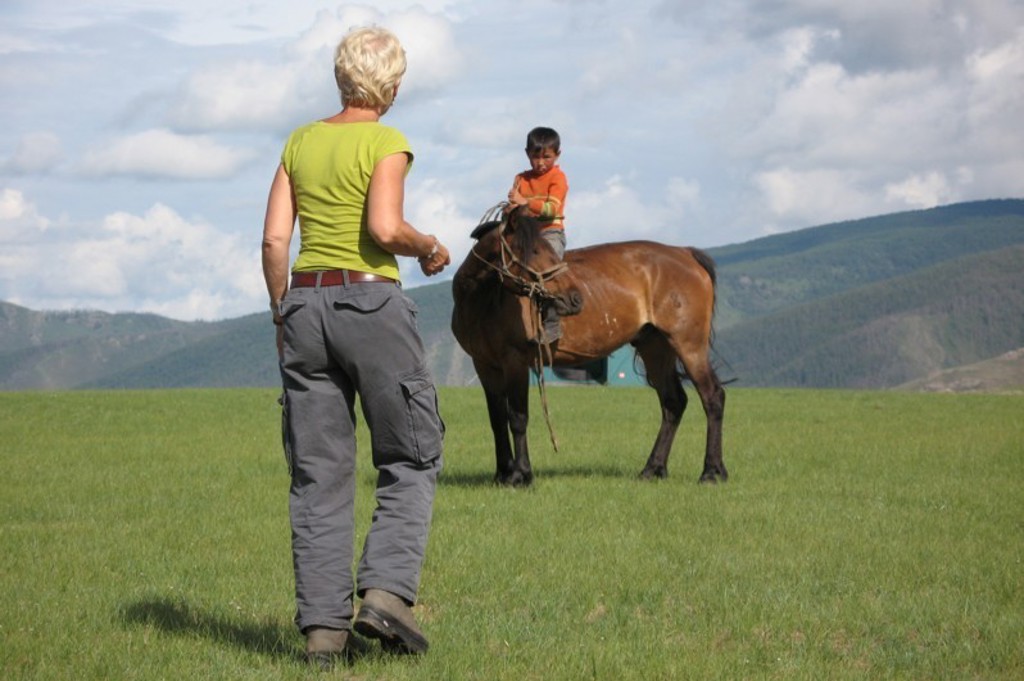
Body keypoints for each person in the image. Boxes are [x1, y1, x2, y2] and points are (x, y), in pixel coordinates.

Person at [260, 25, 450, 668]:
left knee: (318, 474)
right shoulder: (386, 140)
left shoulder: (299, 140)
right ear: (391, 87)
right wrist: (428, 246)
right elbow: (384, 227)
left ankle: (322, 634)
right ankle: (388, 597)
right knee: (412, 453)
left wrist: (280, 308)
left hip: (304, 304)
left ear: (341, 78)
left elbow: (273, 243)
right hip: (370, 303)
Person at [506, 126, 568, 341]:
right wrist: (510, 209)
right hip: (524, 236)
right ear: (527, 154)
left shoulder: (558, 178)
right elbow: (514, 208)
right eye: (535, 156)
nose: (541, 162)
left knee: (548, 273)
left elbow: (552, 210)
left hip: (549, 233)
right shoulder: (520, 179)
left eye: (547, 157)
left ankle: (552, 322)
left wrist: (525, 202)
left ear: (557, 155)